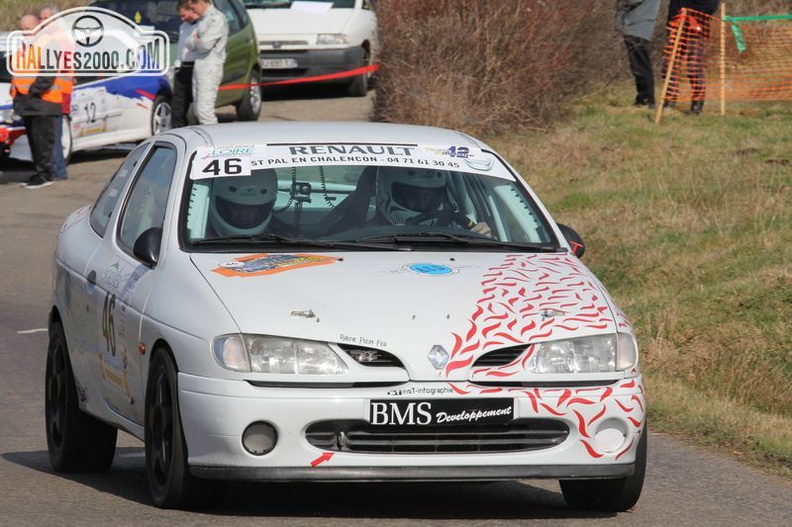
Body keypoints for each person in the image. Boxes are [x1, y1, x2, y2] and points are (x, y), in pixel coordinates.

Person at [11, 14, 63, 189]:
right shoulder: (23, 47)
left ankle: (45, 175)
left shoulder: (47, 43)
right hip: (28, 103)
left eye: (29, 28)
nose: (26, 32)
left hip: (43, 101)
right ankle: (39, 172)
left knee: (43, 141)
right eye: (23, 28)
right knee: (34, 141)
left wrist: (33, 91)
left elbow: (48, 73)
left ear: (38, 27)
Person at [372, 166, 492, 236]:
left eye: (430, 196)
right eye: (414, 195)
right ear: (386, 193)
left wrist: (481, 237)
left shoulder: (451, 230)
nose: (423, 203)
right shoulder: (362, 236)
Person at [664, 0, 721, 114]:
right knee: (669, 64)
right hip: (676, 24)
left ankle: (697, 104)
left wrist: (689, 10)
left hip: (697, 27)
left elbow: (710, 7)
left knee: (693, 65)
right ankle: (669, 101)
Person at [39, 4, 72, 180]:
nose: (42, 22)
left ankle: (58, 171)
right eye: (41, 19)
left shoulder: (59, 38)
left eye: (46, 19)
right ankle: (56, 169)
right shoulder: (48, 36)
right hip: (52, 92)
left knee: (54, 134)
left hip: (57, 93)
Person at [207, 170, 293, 237]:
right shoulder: (198, 233)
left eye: (251, 209)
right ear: (224, 207)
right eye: (236, 207)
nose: (243, 215)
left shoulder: (286, 238)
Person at [186, 0, 228, 125]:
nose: (192, 11)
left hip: (211, 66)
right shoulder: (202, 19)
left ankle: (215, 141)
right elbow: (189, 43)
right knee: (198, 111)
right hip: (199, 64)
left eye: (193, 8)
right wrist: (198, 41)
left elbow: (205, 44)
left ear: (200, 3)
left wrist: (198, 41)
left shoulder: (216, 18)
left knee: (205, 111)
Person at [616, 0, 661, 108]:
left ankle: (648, 99)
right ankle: (642, 98)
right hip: (633, 27)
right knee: (636, 66)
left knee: (641, 66)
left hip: (639, 28)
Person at [172, 0, 200, 128]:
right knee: (178, 106)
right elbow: (181, 49)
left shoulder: (201, 25)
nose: (182, 19)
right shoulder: (183, 27)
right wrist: (177, 66)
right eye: (180, 16)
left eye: (184, 15)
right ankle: (178, 130)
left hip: (197, 67)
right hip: (182, 67)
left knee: (198, 106)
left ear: (191, 10)